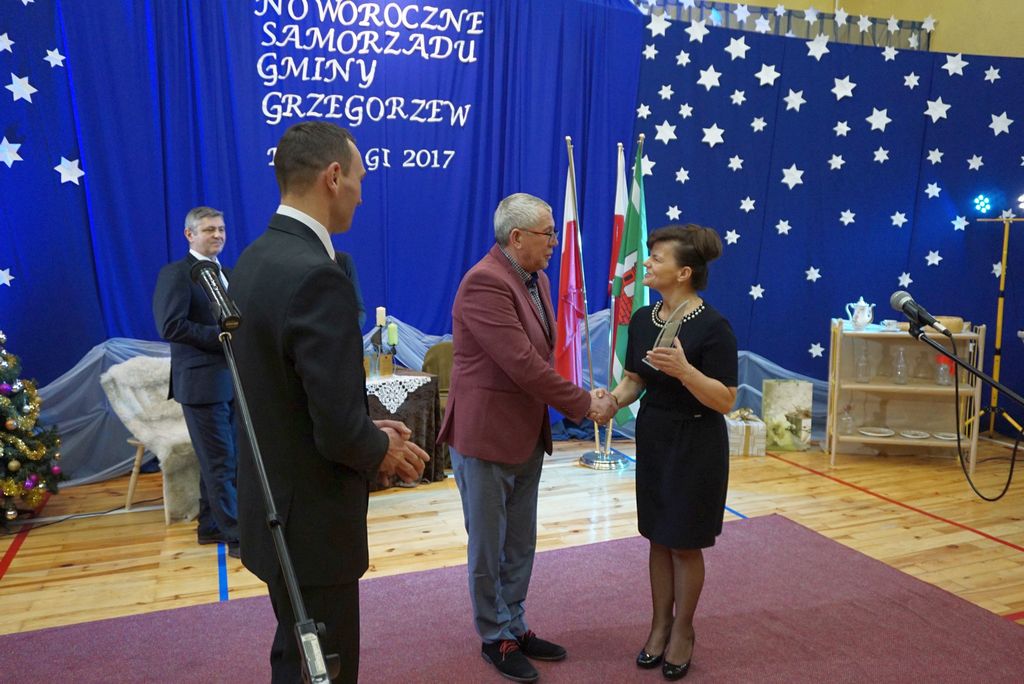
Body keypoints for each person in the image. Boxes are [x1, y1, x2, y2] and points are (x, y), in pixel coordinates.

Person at [228, 121, 429, 684]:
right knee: (325, 667)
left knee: (295, 653)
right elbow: (336, 429)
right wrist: (380, 448)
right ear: (333, 177)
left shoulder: (254, 259)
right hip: (313, 521)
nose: (362, 194)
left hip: (274, 504)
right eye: (360, 178)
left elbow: (290, 395)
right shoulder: (319, 276)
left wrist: (368, 429)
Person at [438, 192, 616, 683]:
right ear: (516, 238)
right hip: (485, 437)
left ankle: (514, 623)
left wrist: (583, 394)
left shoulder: (536, 278)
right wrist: (585, 404)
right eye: (548, 234)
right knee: (489, 546)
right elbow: (521, 364)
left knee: (520, 543)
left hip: (525, 434)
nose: (556, 242)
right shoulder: (484, 283)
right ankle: (494, 636)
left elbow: (542, 357)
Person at [606, 224, 737, 681]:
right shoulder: (644, 319)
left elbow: (725, 400)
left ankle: (683, 630)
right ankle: (659, 624)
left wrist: (685, 372)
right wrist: (610, 402)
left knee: (684, 542)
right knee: (658, 537)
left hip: (697, 442)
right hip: (655, 437)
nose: (647, 263)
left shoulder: (715, 326)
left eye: (657, 258)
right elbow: (635, 380)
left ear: (683, 272)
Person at [152, 206, 240, 558]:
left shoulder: (228, 274)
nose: (217, 235)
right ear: (189, 235)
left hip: (232, 382)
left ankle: (211, 526)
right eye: (208, 230)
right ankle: (237, 536)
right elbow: (170, 325)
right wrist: (221, 337)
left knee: (223, 460)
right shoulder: (176, 274)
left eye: (221, 229)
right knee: (222, 463)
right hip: (201, 385)